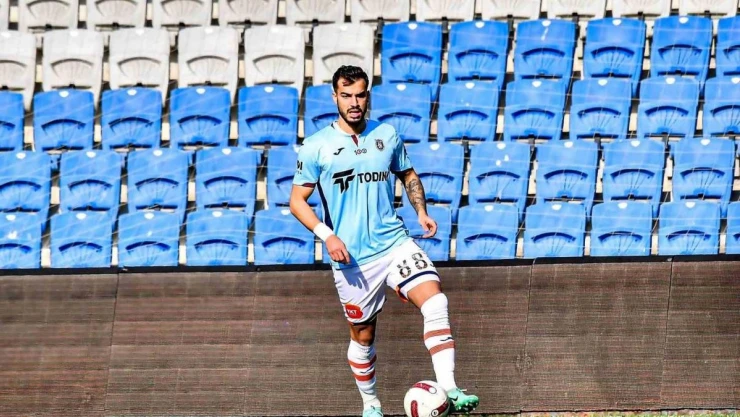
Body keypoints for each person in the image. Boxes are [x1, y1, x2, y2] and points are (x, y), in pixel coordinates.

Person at [289, 65, 479, 417]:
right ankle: (371, 404)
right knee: (363, 336)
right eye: (346, 96)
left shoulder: (387, 135)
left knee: (435, 301)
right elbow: (297, 201)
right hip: (352, 259)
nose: (354, 102)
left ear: (368, 96)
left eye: (360, 95)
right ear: (334, 97)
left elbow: (408, 173)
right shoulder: (316, 147)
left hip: (394, 243)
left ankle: (450, 388)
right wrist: (327, 236)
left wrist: (420, 211)